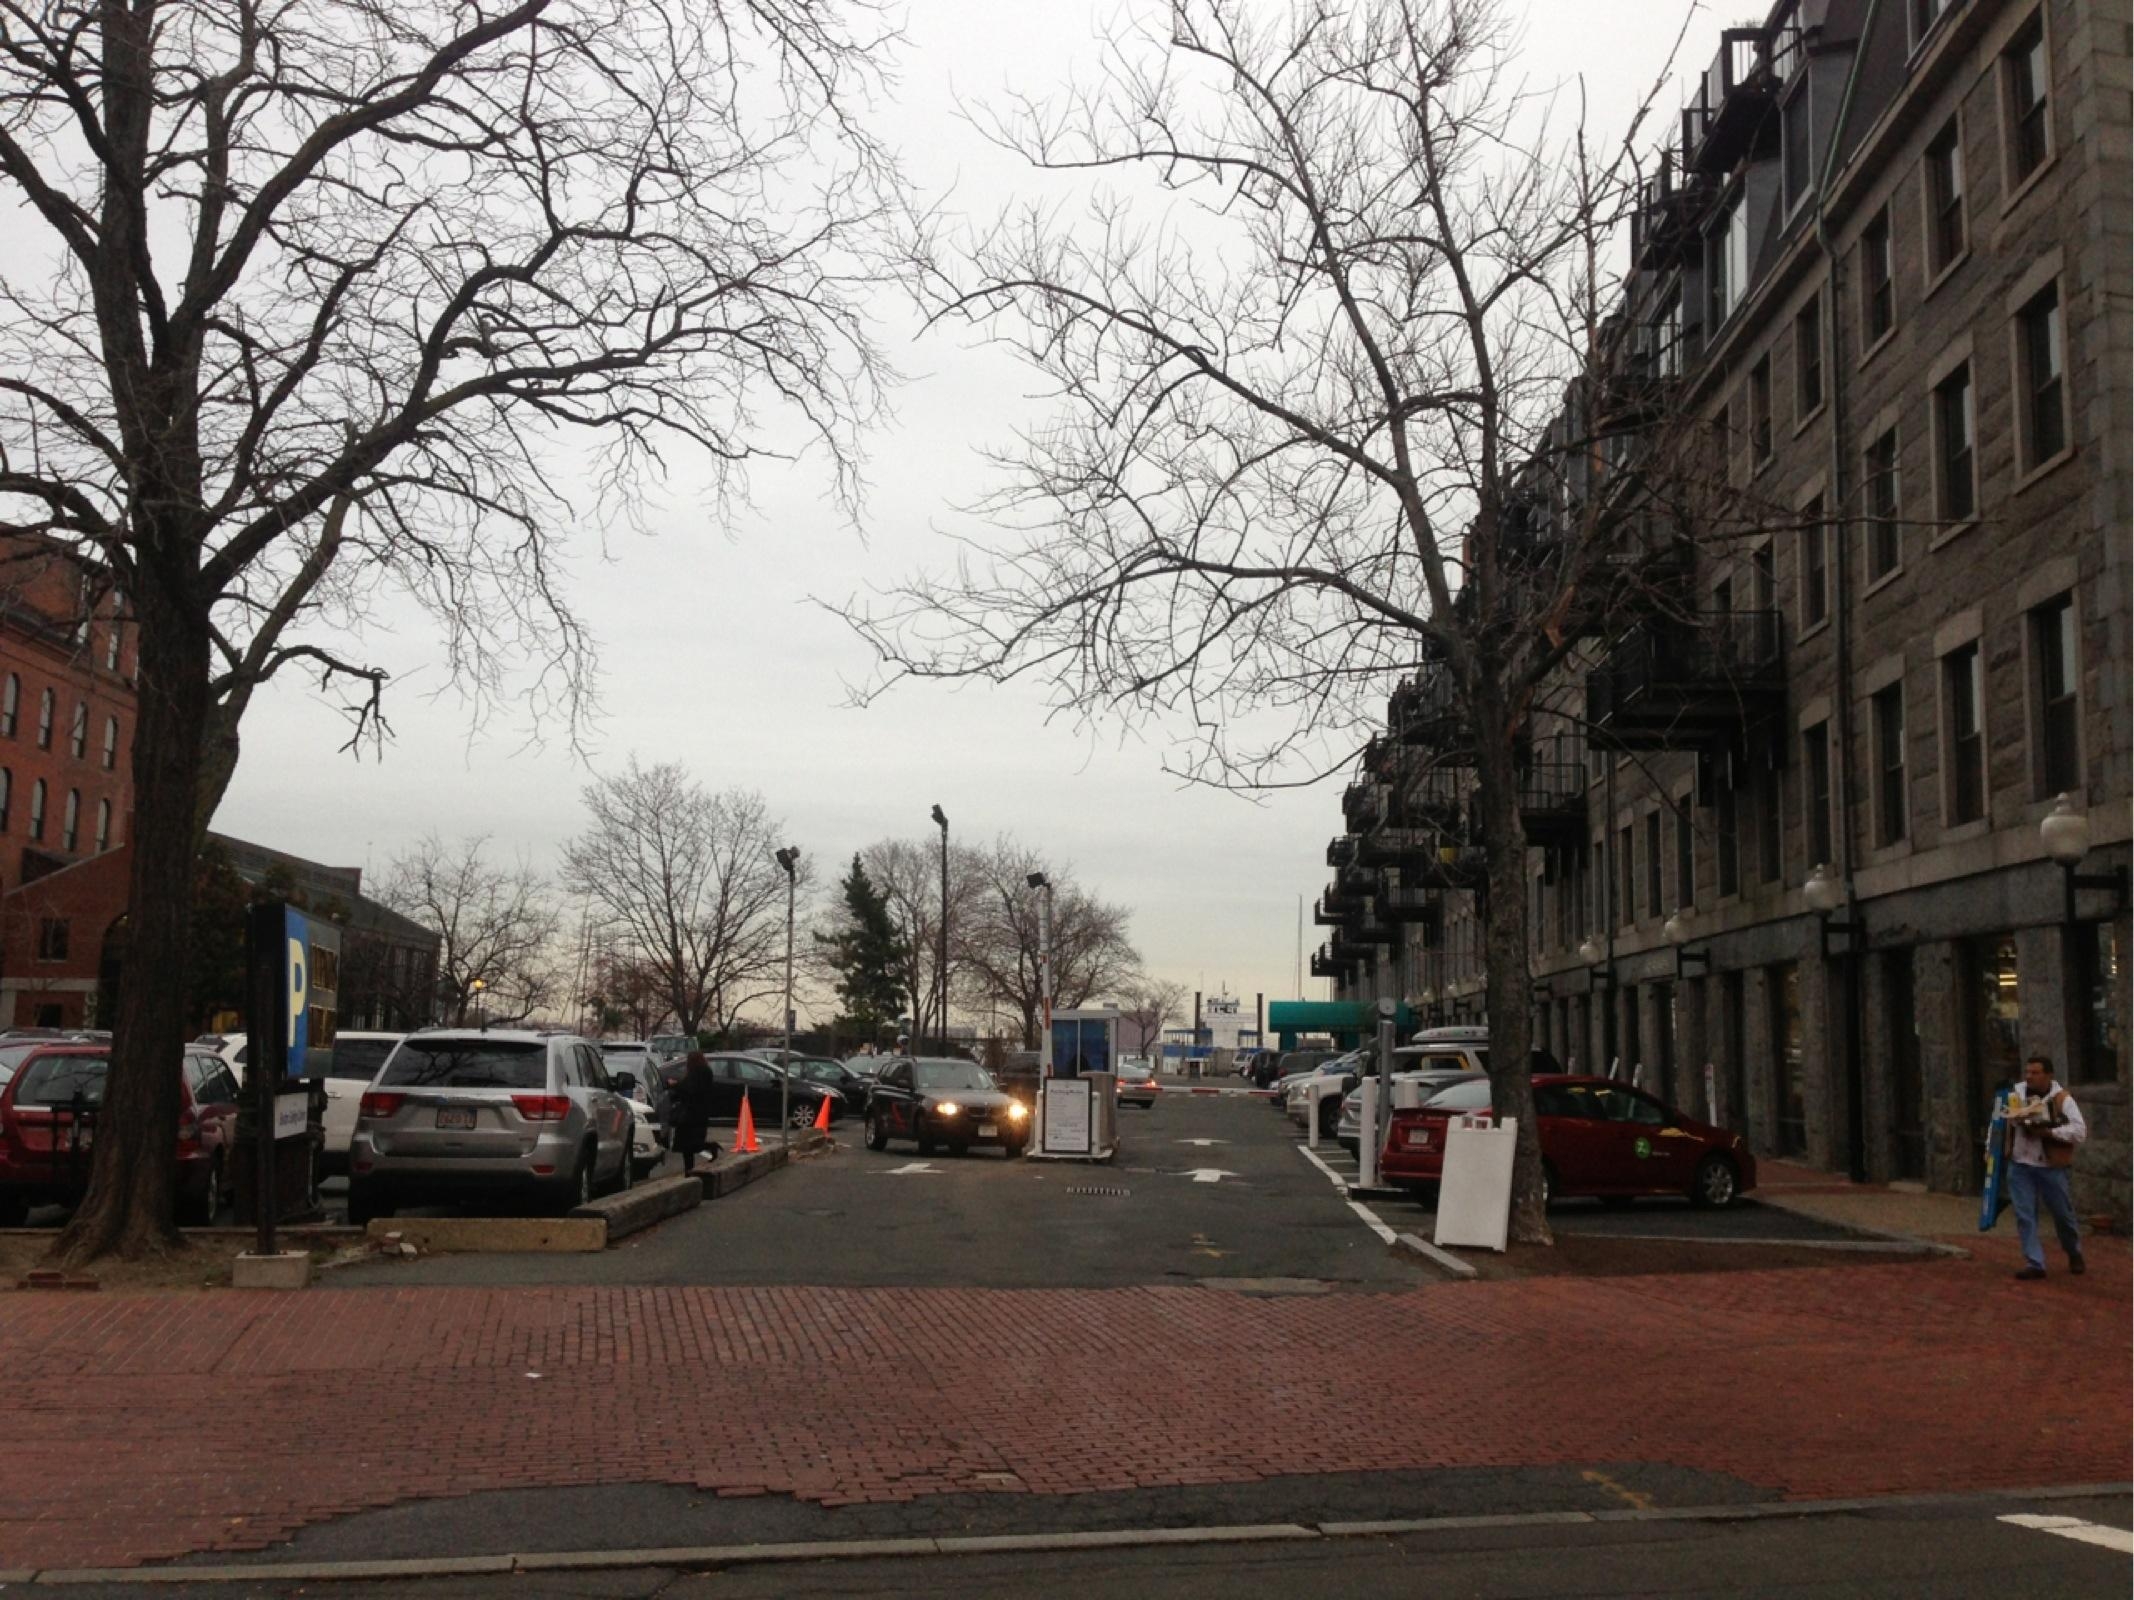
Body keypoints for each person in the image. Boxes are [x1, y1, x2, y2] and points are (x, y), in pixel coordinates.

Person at [2005, 1053, 2087, 1281]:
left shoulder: (2062, 1099)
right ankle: (2035, 1262)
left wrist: (2049, 1131)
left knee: (2062, 1215)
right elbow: (2003, 1121)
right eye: (2027, 1072)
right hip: (2020, 1163)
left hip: (2050, 1166)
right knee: (2025, 1214)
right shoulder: (2016, 1094)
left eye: (2035, 1072)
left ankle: (2073, 1251)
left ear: (2048, 1075)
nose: (2029, 1077)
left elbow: (2080, 1132)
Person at [673, 1050, 719, 1176]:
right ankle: (691, 1169)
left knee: (687, 1145)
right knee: (693, 1142)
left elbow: (689, 1090)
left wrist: (676, 1086)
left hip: (690, 1113)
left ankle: (689, 1170)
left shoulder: (695, 1073)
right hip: (701, 1112)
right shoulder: (706, 1071)